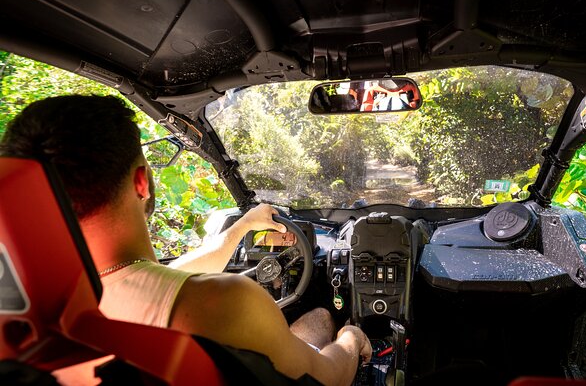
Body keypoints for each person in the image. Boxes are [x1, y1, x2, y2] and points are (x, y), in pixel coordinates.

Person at [0, 95, 371, 386]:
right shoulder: (228, 302)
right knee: (324, 318)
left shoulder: (47, 315)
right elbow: (327, 379)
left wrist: (241, 228)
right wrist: (352, 337)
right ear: (141, 181)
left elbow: (170, 273)